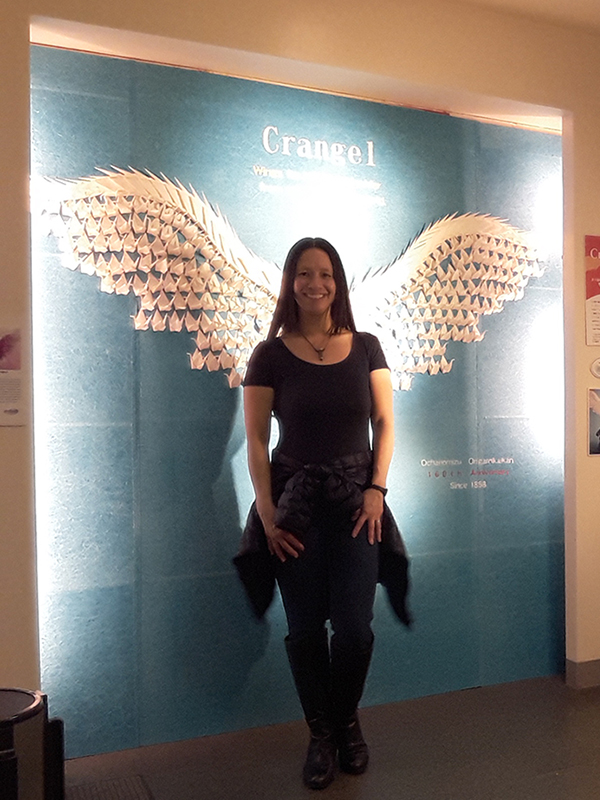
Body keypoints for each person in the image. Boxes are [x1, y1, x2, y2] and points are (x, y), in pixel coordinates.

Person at [241, 237, 405, 790]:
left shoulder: (367, 347)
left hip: (357, 502)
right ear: (291, 283)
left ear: (339, 283)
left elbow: (385, 422)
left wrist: (377, 488)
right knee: (306, 629)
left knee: (355, 629)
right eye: (305, 273)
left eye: (326, 273)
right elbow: (256, 441)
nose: (316, 283)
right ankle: (322, 735)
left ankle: (345, 719)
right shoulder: (268, 355)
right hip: (295, 506)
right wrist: (268, 515)